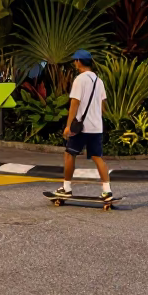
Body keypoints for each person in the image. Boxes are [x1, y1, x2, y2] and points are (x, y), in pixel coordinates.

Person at [56, 49, 112, 201]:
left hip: (81, 127)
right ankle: (107, 191)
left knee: (69, 154)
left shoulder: (79, 80)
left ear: (79, 62)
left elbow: (75, 102)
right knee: (97, 157)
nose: (74, 63)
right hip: (96, 127)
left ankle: (66, 188)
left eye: (75, 60)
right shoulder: (98, 81)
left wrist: (68, 126)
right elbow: (102, 106)